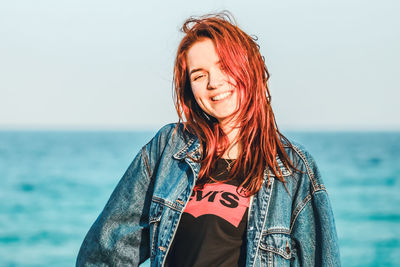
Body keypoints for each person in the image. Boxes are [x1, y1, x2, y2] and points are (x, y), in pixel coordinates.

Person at [76, 12, 341, 267]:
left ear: (249, 68)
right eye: (199, 75)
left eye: (224, 66)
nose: (214, 82)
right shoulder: (168, 148)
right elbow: (105, 253)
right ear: (190, 89)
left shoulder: (293, 169)